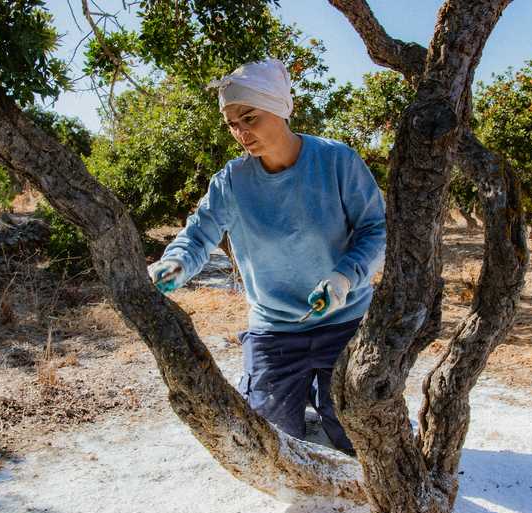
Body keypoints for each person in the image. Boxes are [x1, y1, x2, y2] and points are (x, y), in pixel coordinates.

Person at [148, 59, 386, 455]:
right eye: (231, 123)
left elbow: (374, 230)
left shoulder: (338, 162)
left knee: (354, 436)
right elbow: (197, 235)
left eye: (249, 117)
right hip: (274, 329)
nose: (241, 132)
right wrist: (174, 264)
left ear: (280, 109)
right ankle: (297, 386)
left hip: (345, 323)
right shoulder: (231, 182)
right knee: (276, 440)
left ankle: (322, 389)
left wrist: (344, 278)